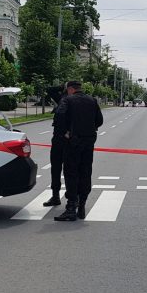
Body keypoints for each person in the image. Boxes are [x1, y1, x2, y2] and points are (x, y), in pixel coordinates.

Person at [53, 81, 104, 221]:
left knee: (71, 173)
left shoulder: (68, 100)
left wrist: (65, 132)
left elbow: (59, 116)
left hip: (73, 142)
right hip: (89, 142)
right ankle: (82, 206)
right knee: (85, 172)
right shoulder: (92, 100)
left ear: (70, 89)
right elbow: (99, 121)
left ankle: (71, 208)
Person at [43, 85, 67, 207]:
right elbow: (50, 90)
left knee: (71, 170)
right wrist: (63, 86)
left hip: (70, 140)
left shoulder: (75, 101)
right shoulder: (62, 98)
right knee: (56, 169)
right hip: (58, 139)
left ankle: (74, 198)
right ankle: (55, 195)